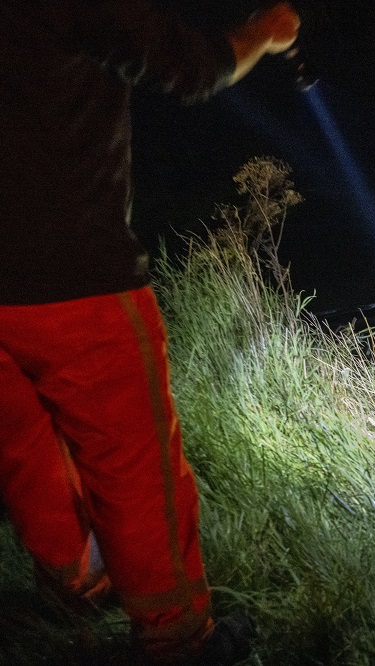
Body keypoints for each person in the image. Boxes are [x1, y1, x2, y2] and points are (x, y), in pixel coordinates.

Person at [0, 1, 300, 663]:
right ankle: (178, 639)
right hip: (75, 277)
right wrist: (264, 33)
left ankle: (75, 587)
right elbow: (191, 69)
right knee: (135, 465)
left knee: (27, 458)